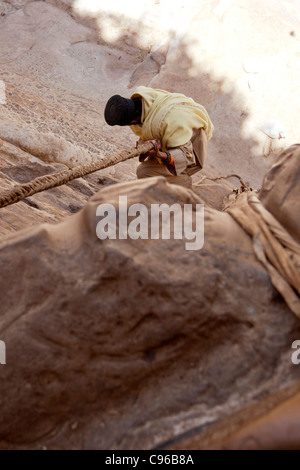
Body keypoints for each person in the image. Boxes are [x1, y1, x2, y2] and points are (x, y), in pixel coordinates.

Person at [104, 86, 214, 188]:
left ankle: (182, 184)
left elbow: (186, 156)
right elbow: (147, 131)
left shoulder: (168, 123)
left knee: (146, 172)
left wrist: (160, 154)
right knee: (145, 171)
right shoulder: (142, 100)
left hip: (192, 140)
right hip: (176, 120)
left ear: (132, 121)